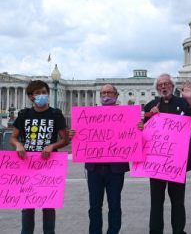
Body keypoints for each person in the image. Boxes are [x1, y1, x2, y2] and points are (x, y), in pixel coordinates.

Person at [143, 73, 191, 234]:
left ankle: (178, 230)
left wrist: (190, 101)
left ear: (172, 86)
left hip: (178, 161)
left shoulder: (183, 103)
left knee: (178, 201)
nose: (164, 86)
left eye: (167, 84)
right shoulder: (150, 105)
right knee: (156, 201)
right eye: (160, 84)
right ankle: (155, 231)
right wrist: (149, 116)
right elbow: (140, 128)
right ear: (157, 88)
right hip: (156, 161)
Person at [9, 80, 69, 234]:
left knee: (48, 207)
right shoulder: (24, 114)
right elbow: (13, 137)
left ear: (48, 93)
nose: (41, 95)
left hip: (49, 164)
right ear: (31, 97)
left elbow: (65, 139)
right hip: (27, 164)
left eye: (44, 92)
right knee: (27, 207)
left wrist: (52, 146)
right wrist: (18, 145)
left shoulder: (56, 114)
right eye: (37, 93)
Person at [70, 84, 129, 234]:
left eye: (109, 92)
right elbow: (82, 135)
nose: (106, 95)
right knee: (94, 206)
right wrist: (74, 134)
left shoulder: (126, 115)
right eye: (103, 92)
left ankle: (113, 232)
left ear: (116, 95)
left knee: (114, 205)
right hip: (94, 167)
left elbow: (132, 137)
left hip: (116, 168)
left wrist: (139, 127)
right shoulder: (89, 115)